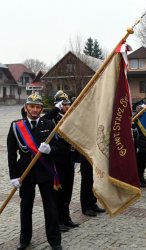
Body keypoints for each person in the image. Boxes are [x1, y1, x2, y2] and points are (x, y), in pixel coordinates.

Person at [7, 93, 62, 250]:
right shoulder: (16, 126)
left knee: (50, 207)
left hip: (46, 170)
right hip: (26, 172)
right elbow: (11, 154)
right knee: (26, 207)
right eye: (32, 106)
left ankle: (55, 240)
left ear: (42, 109)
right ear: (26, 108)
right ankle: (25, 239)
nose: (35, 110)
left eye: (38, 107)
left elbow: (58, 149)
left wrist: (50, 149)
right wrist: (14, 176)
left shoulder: (50, 125)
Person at [49, 91, 80, 232]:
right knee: (58, 192)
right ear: (58, 105)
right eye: (65, 104)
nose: (68, 107)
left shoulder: (70, 117)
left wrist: (77, 159)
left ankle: (66, 217)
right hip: (59, 159)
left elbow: (76, 138)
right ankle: (58, 220)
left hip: (70, 157)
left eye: (68, 104)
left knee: (67, 190)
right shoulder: (53, 119)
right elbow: (45, 119)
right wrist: (55, 108)